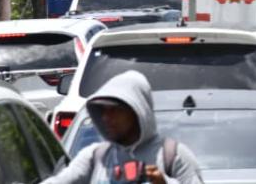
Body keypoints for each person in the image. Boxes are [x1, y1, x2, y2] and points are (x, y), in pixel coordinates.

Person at [42, 70, 202, 184]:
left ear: (137, 111)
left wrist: (162, 181)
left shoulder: (173, 157)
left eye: (114, 110)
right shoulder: (95, 157)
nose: (106, 117)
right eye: (102, 111)